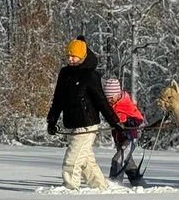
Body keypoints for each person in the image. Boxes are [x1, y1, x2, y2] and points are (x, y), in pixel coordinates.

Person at [47, 36, 123, 191]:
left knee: (73, 159)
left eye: (73, 56)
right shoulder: (65, 74)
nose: (70, 59)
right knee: (86, 161)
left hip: (87, 125)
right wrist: (52, 120)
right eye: (68, 56)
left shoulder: (90, 75)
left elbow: (101, 101)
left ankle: (69, 188)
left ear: (82, 56)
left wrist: (115, 122)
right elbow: (58, 99)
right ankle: (100, 187)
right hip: (72, 123)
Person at [103, 78, 146, 187]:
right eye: (107, 98)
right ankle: (139, 184)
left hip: (129, 138)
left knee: (118, 160)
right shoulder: (111, 105)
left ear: (117, 95)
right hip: (119, 139)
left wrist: (127, 122)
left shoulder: (126, 104)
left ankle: (114, 183)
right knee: (128, 164)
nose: (109, 100)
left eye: (111, 98)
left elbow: (139, 118)